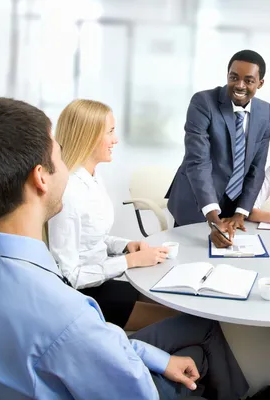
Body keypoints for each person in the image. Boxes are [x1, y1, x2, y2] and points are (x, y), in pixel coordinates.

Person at [0, 97, 252, 400]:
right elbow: (129, 382)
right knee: (196, 358)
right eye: (58, 152)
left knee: (186, 351)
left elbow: (99, 346)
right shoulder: (69, 315)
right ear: (41, 177)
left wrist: (161, 360)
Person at [48, 99, 176, 331]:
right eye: (110, 132)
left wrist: (127, 246)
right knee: (180, 320)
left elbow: (91, 237)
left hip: (103, 281)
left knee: (176, 303)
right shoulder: (69, 193)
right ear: (89, 136)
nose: (115, 140)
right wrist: (129, 261)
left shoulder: (92, 177)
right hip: (85, 298)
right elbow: (69, 276)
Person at [166, 49, 270, 248]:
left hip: (234, 210)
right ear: (227, 76)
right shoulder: (203, 102)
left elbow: (257, 168)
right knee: (190, 262)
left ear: (260, 83)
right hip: (197, 203)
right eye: (234, 77)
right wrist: (214, 219)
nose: (239, 85)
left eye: (249, 80)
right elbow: (198, 162)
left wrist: (241, 212)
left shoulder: (264, 111)